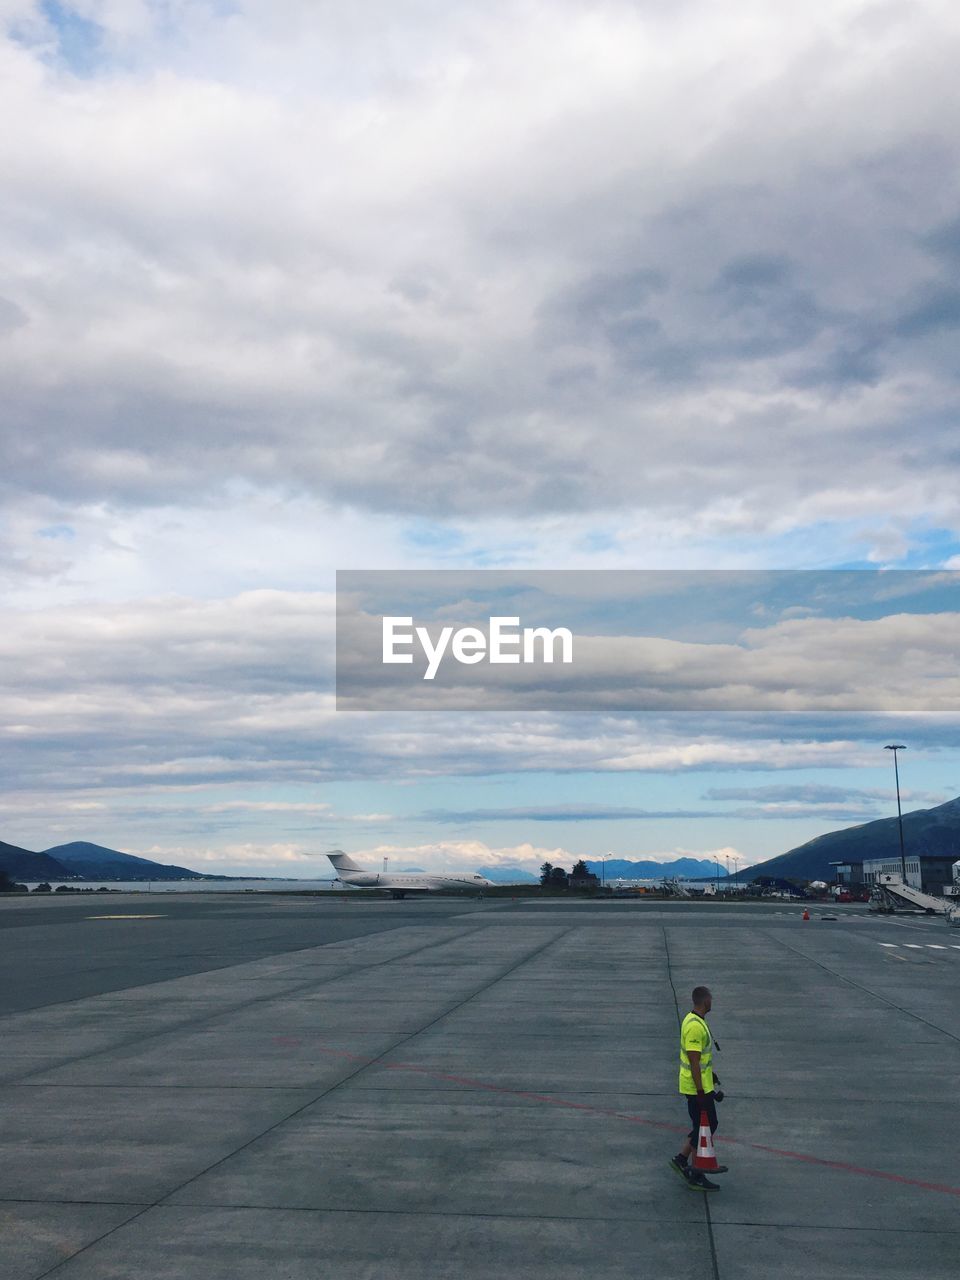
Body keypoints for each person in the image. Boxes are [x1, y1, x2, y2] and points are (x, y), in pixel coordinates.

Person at [669, 985, 727, 1191]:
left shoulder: (696, 1020)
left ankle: (681, 1159)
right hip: (695, 1088)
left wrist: (710, 1076)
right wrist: (702, 1091)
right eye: (711, 999)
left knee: (702, 1126)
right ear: (705, 1001)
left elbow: (700, 1060)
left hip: (700, 1085)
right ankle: (695, 1171)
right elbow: (694, 1061)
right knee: (708, 1125)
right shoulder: (694, 1026)